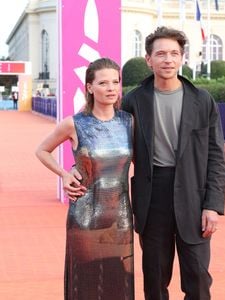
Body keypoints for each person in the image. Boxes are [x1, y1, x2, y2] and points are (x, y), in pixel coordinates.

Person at [121, 26, 225, 299]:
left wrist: (212, 206)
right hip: (152, 195)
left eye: (174, 53)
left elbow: (216, 156)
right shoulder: (133, 100)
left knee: (198, 276)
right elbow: (111, 144)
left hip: (193, 195)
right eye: (160, 54)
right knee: (155, 278)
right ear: (148, 59)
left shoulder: (202, 100)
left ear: (182, 58)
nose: (167, 59)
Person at [35, 58, 134, 300]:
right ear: (89, 87)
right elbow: (42, 150)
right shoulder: (74, 124)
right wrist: (65, 174)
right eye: (103, 83)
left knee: (119, 281)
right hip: (86, 216)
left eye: (115, 82)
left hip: (120, 217)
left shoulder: (129, 121)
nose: (111, 88)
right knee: (87, 284)